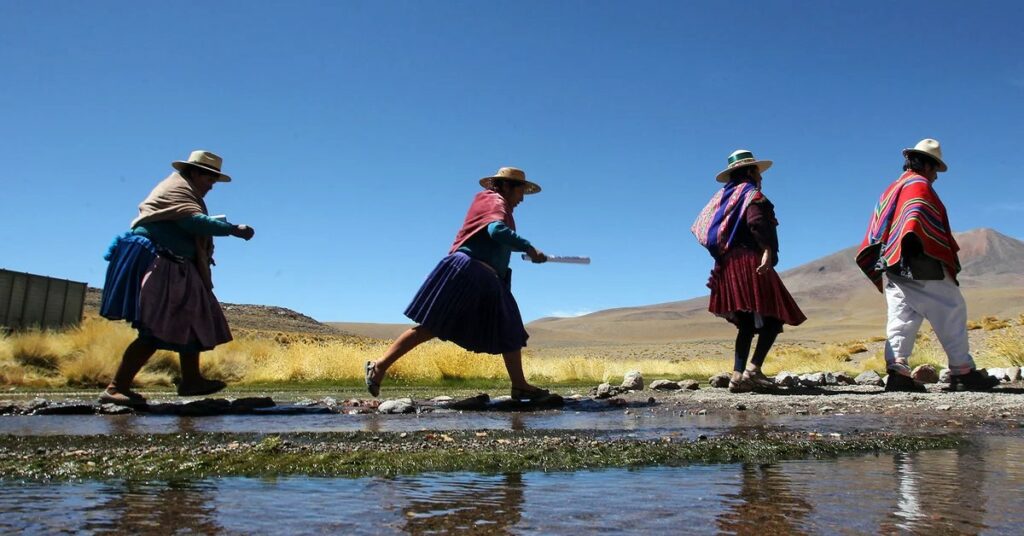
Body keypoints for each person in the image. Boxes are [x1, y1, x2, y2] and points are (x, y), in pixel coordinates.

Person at [365, 167, 551, 400]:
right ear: (505, 187)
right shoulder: (493, 200)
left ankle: (519, 384)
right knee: (434, 325)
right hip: (470, 271)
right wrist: (528, 247)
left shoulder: (496, 204)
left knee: (508, 325)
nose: (522, 198)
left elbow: (497, 241)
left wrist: (524, 254)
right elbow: (496, 230)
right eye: (520, 191)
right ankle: (379, 366)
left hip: (485, 276)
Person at [98, 150, 256, 405]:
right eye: (209, 180)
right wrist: (231, 229)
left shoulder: (188, 192)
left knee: (192, 317)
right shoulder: (176, 189)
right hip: (157, 261)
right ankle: (116, 387)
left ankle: (191, 381)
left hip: (176, 264)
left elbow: (191, 221)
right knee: (156, 327)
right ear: (194, 172)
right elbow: (191, 222)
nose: (211, 187)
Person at [856, 139, 998, 392]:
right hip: (919, 259)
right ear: (926, 165)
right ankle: (962, 372)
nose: (935, 177)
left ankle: (898, 372)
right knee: (950, 308)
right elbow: (915, 215)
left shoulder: (892, 188)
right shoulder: (918, 185)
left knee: (902, 316)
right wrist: (917, 243)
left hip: (891, 261)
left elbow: (883, 225)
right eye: (935, 170)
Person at [693, 150, 806, 393]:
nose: (761, 177)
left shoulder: (723, 198)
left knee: (746, 323)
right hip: (749, 261)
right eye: (757, 171)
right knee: (774, 316)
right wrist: (767, 249)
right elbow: (756, 222)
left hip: (727, 264)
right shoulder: (752, 196)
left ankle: (737, 375)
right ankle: (753, 371)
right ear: (750, 172)